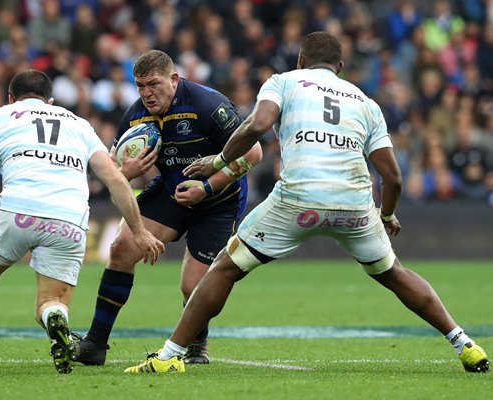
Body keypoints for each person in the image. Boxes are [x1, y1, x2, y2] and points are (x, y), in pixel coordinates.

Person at [124, 32, 490, 374]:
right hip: (354, 204)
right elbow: (392, 176)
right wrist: (388, 214)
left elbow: (257, 125)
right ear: (340, 68)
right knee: (394, 273)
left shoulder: (284, 81)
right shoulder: (366, 103)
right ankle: (464, 343)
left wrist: (218, 161)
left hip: (299, 198)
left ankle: (170, 357)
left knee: (224, 267)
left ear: (300, 61)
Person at [0, 69, 164, 374]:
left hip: (17, 210)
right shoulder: (80, 125)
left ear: (11, 98)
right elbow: (115, 178)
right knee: (50, 300)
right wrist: (139, 232)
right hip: (69, 217)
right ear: (50, 100)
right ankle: (54, 319)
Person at [74, 49, 262, 366]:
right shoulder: (135, 115)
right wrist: (126, 174)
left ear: (174, 79)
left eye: (153, 84)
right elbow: (111, 167)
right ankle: (95, 344)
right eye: (140, 86)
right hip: (171, 190)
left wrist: (207, 187)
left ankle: (196, 347)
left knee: (193, 287)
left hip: (219, 200)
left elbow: (254, 153)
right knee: (121, 248)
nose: (147, 93)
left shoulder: (207, 104)